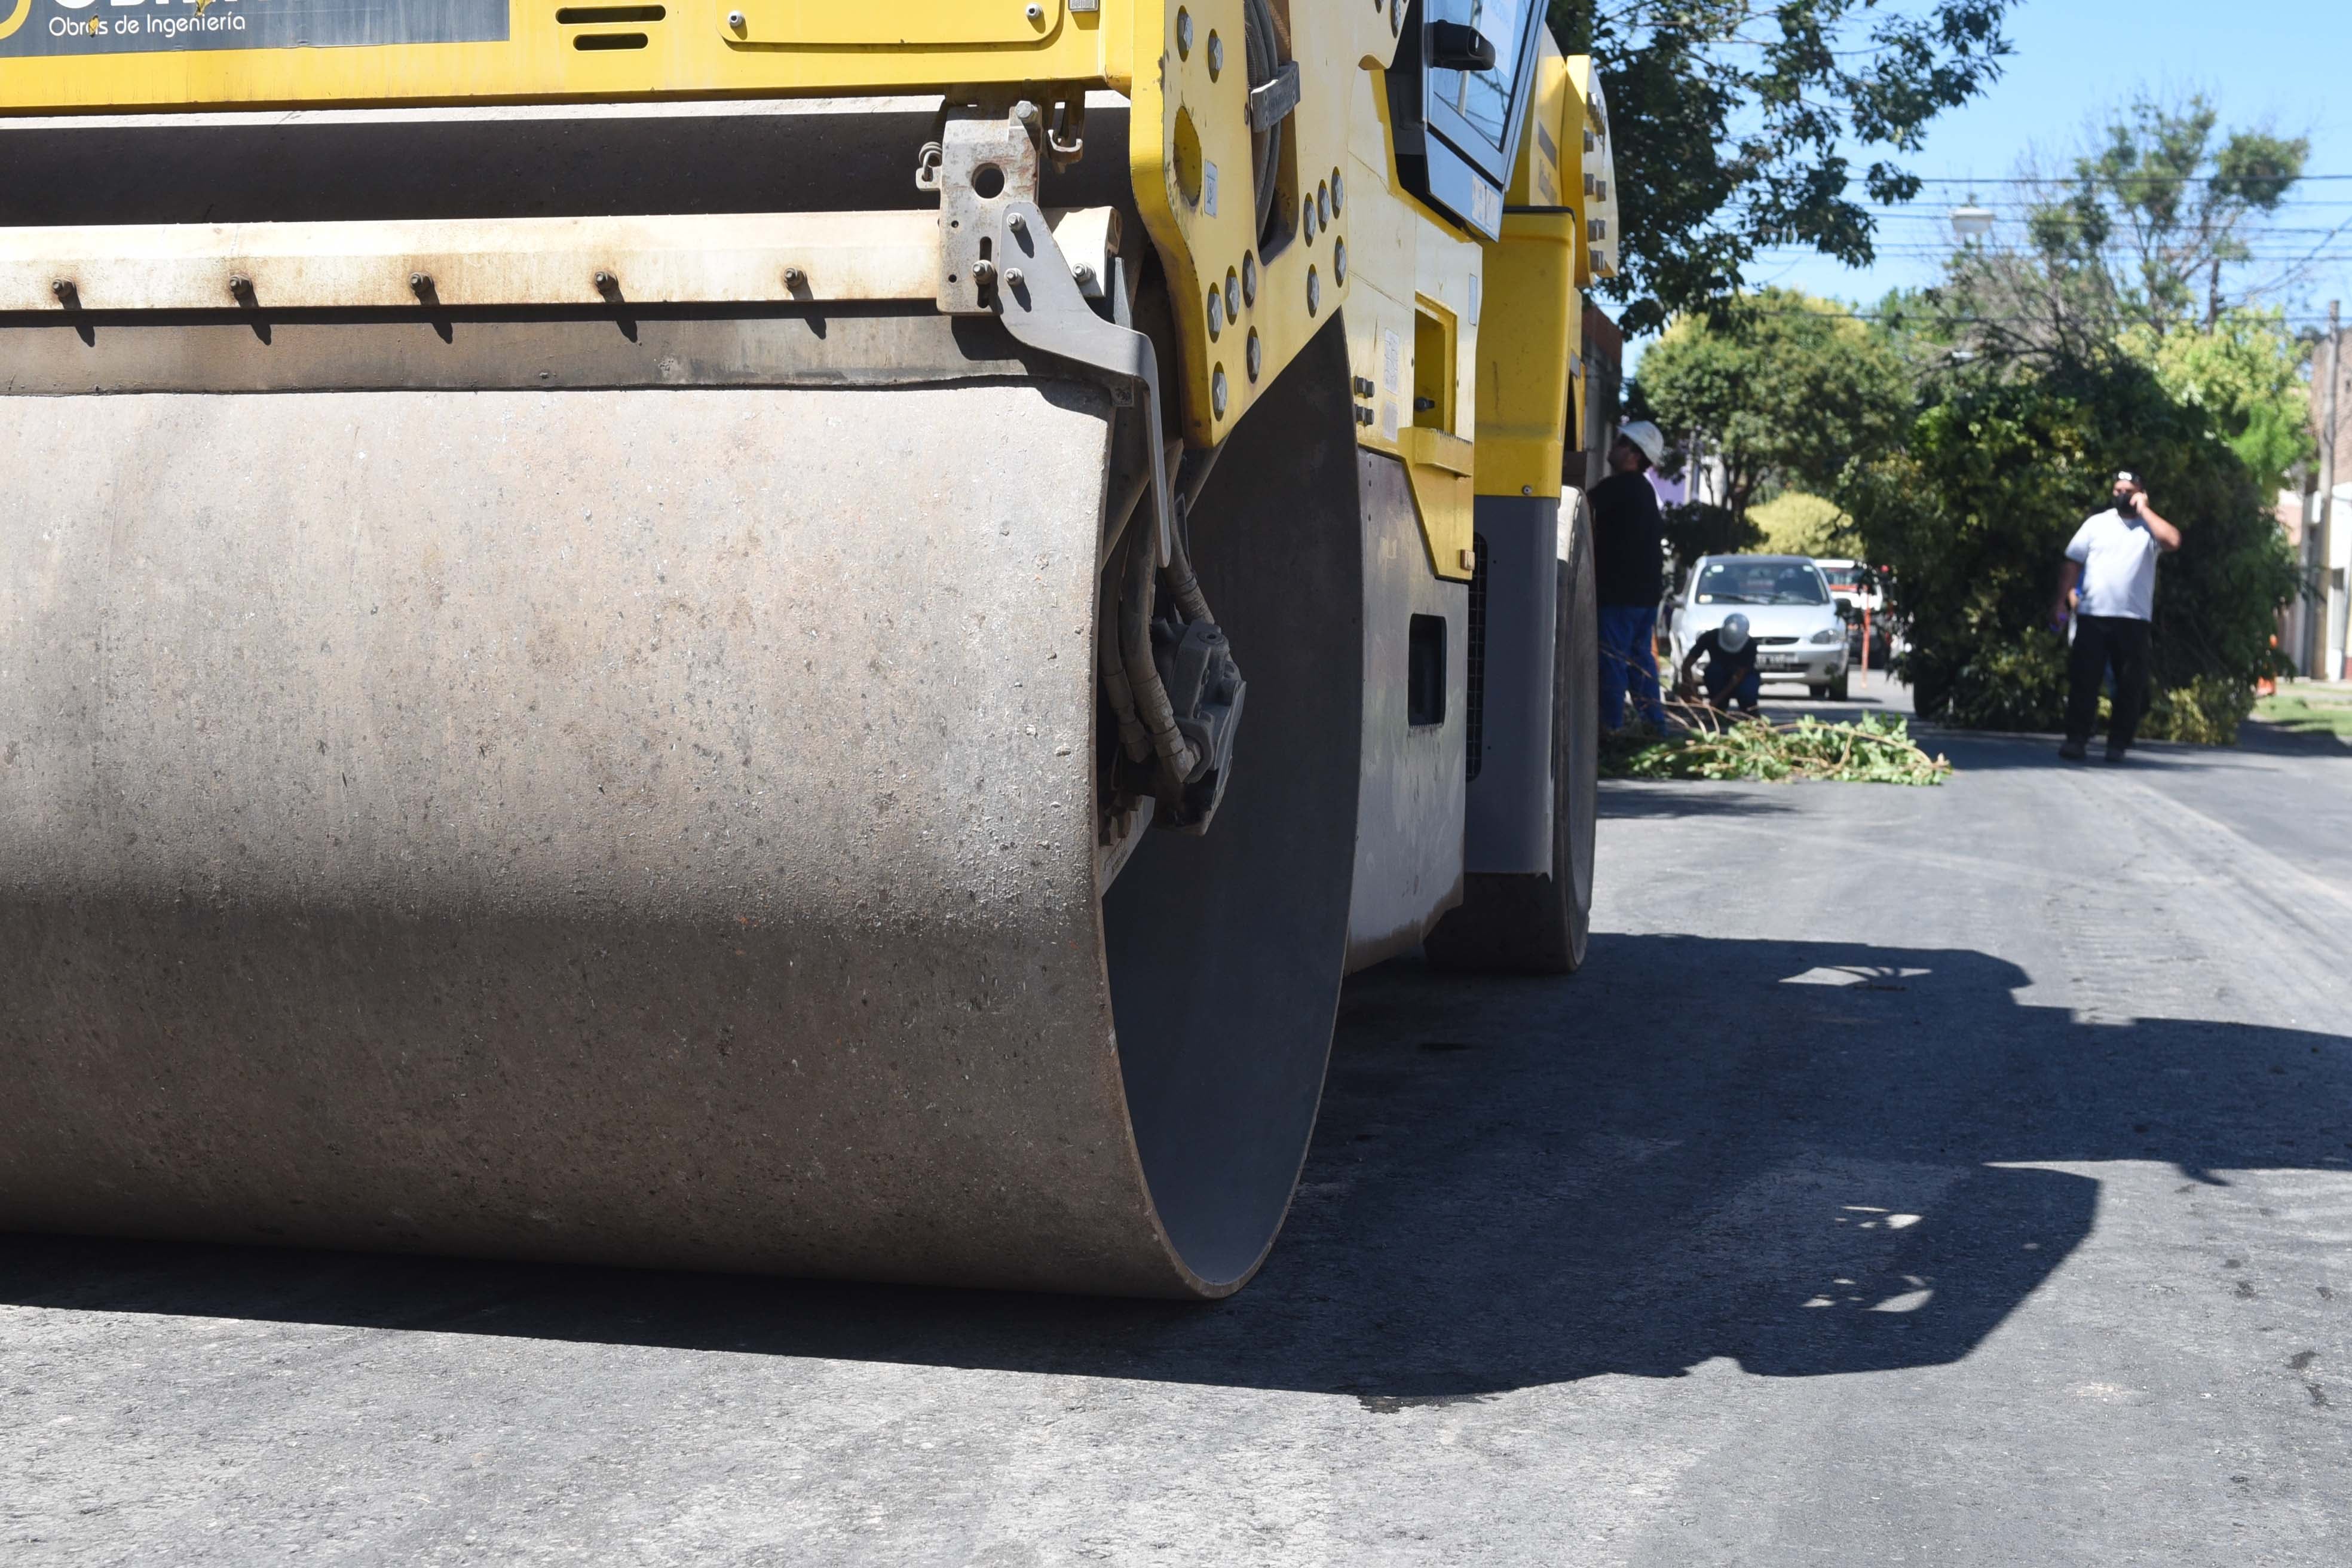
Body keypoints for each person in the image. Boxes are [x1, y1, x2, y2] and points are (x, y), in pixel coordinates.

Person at [2053, 470, 2180, 762]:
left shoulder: (2150, 528)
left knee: (2129, 686)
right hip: (2094, 615)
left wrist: (2145, 511)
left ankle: (2117, 744)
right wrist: (2062, 601)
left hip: (2133, 620)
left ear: (2141, 493)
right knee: (2084, 681)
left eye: (2128, 490)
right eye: (2117, 490)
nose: (2121, 495)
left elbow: (2173, 541)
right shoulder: (2097, 525)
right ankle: (2076, 740)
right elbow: (2072, 563)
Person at [1591, 419, 1670, 730]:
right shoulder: (1644, 492)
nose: (1614, 446)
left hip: (1619, 598)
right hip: (1644, 598)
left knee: (1611, 661)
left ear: (1634, 455)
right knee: (1640, 662)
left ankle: (1610, 730)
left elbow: (1579, 509)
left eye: (1622, 442)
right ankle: (1654, 726)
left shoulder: (1619, 488)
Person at [1679, 612, 1762, 715]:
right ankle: (1719, 709)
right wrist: (1690, 687)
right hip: (1718, 675)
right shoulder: (1709, 637)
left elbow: (1738, 677)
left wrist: (1715, 701)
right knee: (1713, 672)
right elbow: (1687, 664)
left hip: (1744, 679)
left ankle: (1750, 712)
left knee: (1748, 694)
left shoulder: (1750, 646)